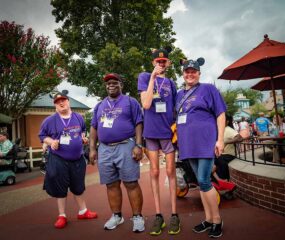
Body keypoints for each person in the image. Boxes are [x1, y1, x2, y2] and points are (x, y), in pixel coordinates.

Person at [176, 57, 226, 238]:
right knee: (200, 182)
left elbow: (220, 114)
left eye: (193, 71)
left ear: (199, 73)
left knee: (204, 181)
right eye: (187, 71)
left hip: (205, 141)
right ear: (183, 74)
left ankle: (218, 220)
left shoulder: (208, 89)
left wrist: (220, 139)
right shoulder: (179, 94)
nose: (190, 74)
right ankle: (208, 219)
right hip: (188, 144)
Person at [89, 73, 145, 233]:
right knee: (111, 184)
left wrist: (138, 145)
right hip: (105, 148)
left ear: (121, 85)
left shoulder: (130, 101)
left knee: (131, 183)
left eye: (114, 82)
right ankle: (116, 216)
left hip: (126, 145)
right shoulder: (100, 105)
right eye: (108, 83)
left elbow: (138, 123)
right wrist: (92, 149)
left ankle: (137, 217)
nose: (111, 85)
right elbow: (93, 127)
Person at [38, 90, 97, 229]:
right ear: (55, 106)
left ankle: (83, 211)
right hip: (59, 159)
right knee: (61, 187)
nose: (61, 103)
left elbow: (82, 131)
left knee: (78, 186)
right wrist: (51, 141)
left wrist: (83, 138)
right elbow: (42, 136)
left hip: (77, 159)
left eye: (63, 100)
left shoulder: (78, 117)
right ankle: (62, 215)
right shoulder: (50, 120)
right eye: (58, 102)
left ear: (68, 102)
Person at [137, 47, 180, 235]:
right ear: (153, 62)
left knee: (170, 171)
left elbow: (176, 108)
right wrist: (153, 78)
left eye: (164, 61)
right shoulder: (145, 77)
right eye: (158, 61)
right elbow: (146, 104)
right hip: (151, 132)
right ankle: (158, 215)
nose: (161, 64)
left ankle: (174, 215)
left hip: (167, 132)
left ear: (168, 63)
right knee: (154, 172)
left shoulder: (171, 83)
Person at [214, 116, 243, 181]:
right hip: (222, 155)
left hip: (227, 155)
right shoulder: (221, 130)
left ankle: (223, 180)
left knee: (215, 161)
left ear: (227, 122)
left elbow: (240, 138)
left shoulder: (228, 129)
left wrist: (225, 142)